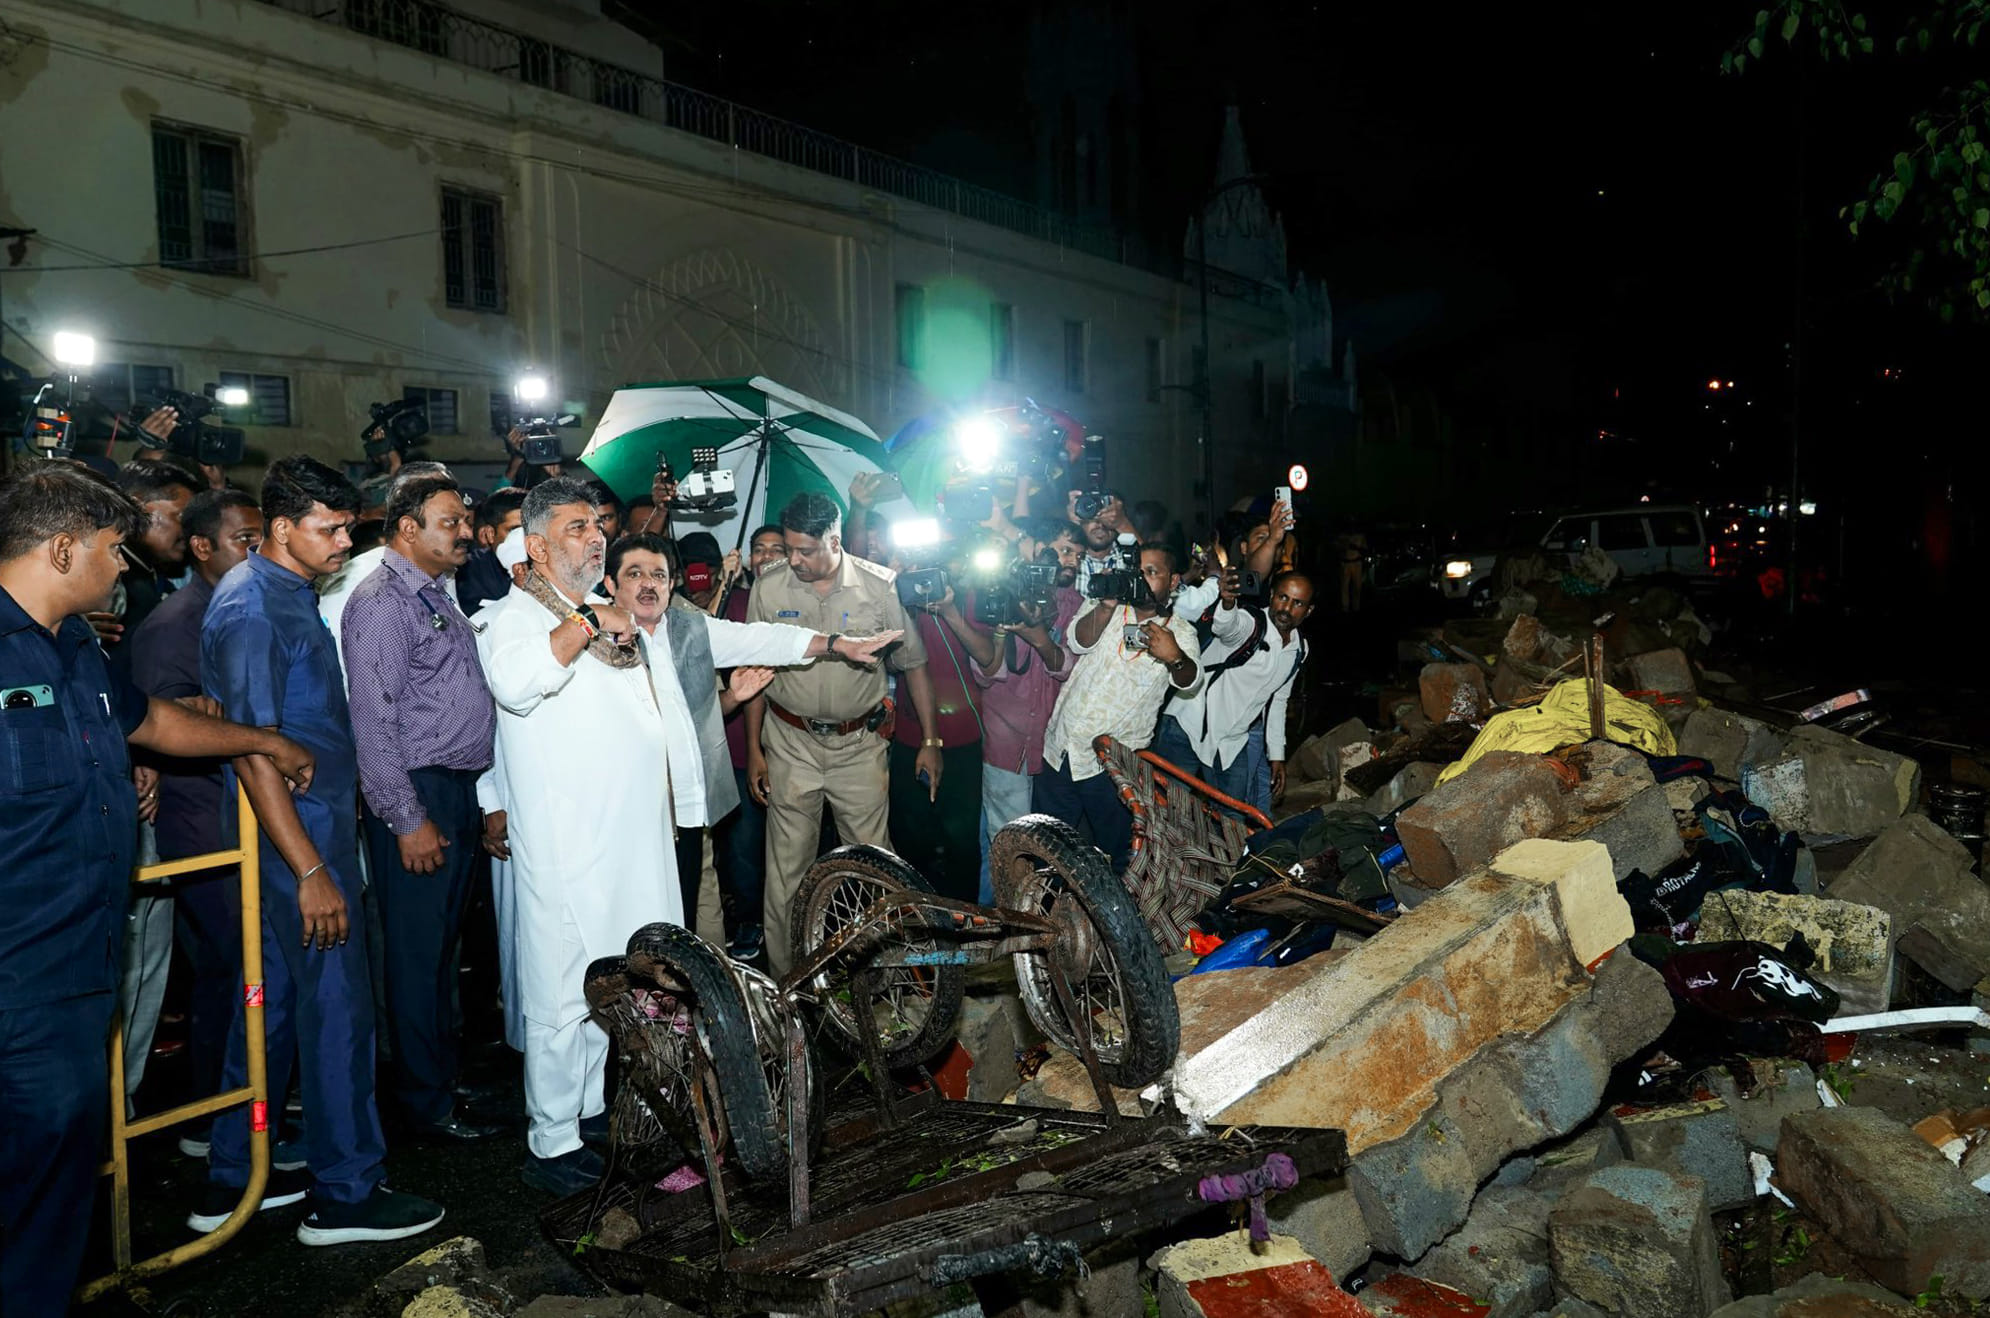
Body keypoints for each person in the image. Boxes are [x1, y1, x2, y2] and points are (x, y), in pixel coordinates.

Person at [0, 459, 320, 1309]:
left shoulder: (77, 647)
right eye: (113, 549)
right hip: (16, 975)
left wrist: (262, 740)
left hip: (81, 961)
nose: (124, 568)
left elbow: (154, 723)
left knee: (55, 1185)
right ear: (62, 550)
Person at [197, 455, 446, 1245]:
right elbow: (253, 751)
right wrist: (310, 870)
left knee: (270, 1008)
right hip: (297, 843)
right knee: (338, 1010)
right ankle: (346, 1194)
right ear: (281, 527)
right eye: (329, 529)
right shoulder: (253, 608)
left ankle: (236, 1175)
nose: (344, 543)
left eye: (347, 528)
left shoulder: (282, 590)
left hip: (308, 832)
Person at [474, 477, 673, 1195]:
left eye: (596, 525)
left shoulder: (596, 612)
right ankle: (551, 1140)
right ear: (535, 547)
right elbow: (514, 683)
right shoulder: (512, 617)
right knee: (561, 990)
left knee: (607, 980)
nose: (595, 538)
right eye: (576, 529)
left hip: (625, 840)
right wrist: (590, 621)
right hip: (567, 844)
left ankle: (586, 1114)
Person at [602, 533, 899, 926]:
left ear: (672, 584)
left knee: (681, 918)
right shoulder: (593, 642)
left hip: (686, 811)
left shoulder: (688, 629)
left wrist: (837, 644)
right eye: (634, 574)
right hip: (628, 811)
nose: (648, 584)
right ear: (610, 584)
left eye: (658, 575)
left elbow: (764, 637)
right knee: (632, 918)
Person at [343, 474, 498, 1142]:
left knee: (440, 951)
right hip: (417, 791)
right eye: (450, 522)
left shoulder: (433, 592)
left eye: (464, 520)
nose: (465, 533)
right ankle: (423, 1103)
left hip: (451, 789)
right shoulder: (382, 603)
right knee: (414, 955)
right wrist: (407, 819)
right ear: (408, 529)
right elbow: (373, 725)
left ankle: (440, 1078)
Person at [745, 493, 940, 975]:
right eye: (789, 548)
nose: (794, 560)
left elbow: (913, 664)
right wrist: (754, 750)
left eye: (805, 550)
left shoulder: (878, 587)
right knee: (786, 873)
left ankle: (885, 976)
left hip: (859, 747)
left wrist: (930, 741)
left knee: (874, 867)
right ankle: (788, 982)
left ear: (835, 541)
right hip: (790, 744)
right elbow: (754, 672)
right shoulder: (769, 588)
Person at [127, 487, 264, 1158]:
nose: (256, 553)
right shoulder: (174, 623)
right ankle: (214, 1120)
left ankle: (236, 1108)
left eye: (261, 540)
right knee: (229, 966)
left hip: (233, 810)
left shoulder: (239, 604)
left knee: (234, 969)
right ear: (202, 546)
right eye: (244, 541)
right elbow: (159, 727)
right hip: (199, 818)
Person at [1036, 544, 1202, 873]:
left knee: (1115, 857)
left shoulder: (1181, 632)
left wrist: (1175, 657)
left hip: (1112, 767)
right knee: (1048, 849)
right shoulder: (1106, 604)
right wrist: (1105, 606)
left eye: (1152, 572)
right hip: (1061, 749)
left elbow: (1189, 680)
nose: (1142, 579)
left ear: (1173, 581)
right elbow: (1077, 641)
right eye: (1137, 571)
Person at [928, 563, 1082, 903]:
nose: (1064, 561)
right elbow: (987, 673)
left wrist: (1040, 637)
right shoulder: (1001, 598)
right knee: (1005, 840)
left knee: (1044, 842)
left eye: (1072, 553)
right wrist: (1003, 630)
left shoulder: (1075, 604)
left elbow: (1068, 669)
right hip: (1005, 744)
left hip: (1052, 745)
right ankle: (1007, 914)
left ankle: (1028, 912)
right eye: (1058, 552)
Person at [1154, 570, 1315, 816]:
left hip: (1231, 742)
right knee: (1166, 809)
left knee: (1232, 819)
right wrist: (1228, 603)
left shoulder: (1298, 649)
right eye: (1283, 597)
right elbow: (1228, 627)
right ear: (1272, 595)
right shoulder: (1252, 622)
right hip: (1187, 725)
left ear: (1308, 611)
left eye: (1297, 603)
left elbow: (1278, 701)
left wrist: (1277, 756)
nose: (1286, 608)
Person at [714, 524, 788, 959]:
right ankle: (748, 920)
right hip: (739, 744)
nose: (767, 557)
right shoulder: (735, 603)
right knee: (742, 845)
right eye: (759, 549)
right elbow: (695, 629)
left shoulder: (797, 602)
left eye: (777, 549)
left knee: (786, 845)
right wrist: (724, 585)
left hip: (791, 745)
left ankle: (787, 921)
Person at [458, 485, 526, 616]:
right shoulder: (466, 572)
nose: (523, 536)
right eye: (514, 530)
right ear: (490, 534)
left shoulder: (551, 566)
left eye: (529, 528)